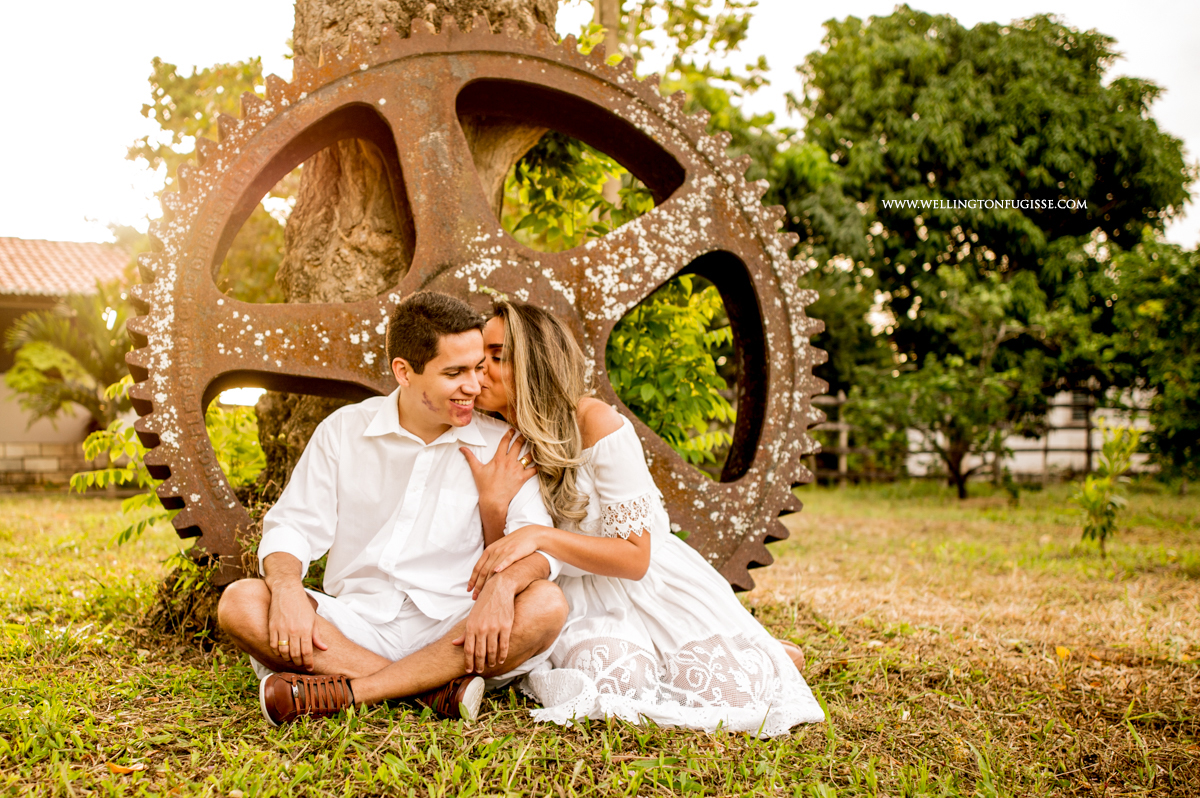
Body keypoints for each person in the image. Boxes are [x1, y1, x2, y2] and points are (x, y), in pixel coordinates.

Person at [462, 301, 825, 736]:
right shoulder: (494, 437)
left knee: (726, 688)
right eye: (479, 359)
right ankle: (740, 653)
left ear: (535, 360)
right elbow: (499, 553)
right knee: (618, 677)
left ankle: (765, 654)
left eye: (497, 357)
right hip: (571, 594)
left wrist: (543, 536)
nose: (480, 371)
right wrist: (492, 506)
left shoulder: (597, 423)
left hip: (643, 584)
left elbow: (636, 558)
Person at [217, 291, 568, 726]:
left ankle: (352, 691)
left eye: (478, 368)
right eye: (454, 372)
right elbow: (293, 526)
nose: (475, 386)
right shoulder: (344, 431)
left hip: (456, 631)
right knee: (243, 601)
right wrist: (288, 589)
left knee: (547, 605)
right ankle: (432, 693)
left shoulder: (502, 444)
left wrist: (503, 586)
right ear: (403, 371)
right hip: (352, 625)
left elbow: (540, 546)